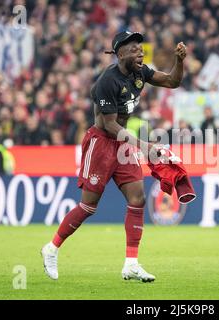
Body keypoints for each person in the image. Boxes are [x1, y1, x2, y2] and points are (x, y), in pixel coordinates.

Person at [41, 31, 187, 282]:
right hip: (101, 143)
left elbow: (172, 81)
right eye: (133, 49)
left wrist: (180, 61)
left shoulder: (141, 73)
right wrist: (143, 145)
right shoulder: (107, 81)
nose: (140, 52)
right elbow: (109, 125)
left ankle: (131, 263)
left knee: (137, 197)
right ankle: (51, 248)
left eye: (141, 48)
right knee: (88, 206)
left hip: (122, 143)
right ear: (120, 54)